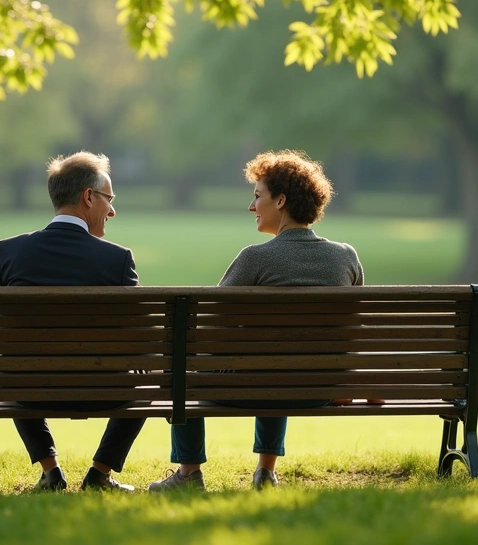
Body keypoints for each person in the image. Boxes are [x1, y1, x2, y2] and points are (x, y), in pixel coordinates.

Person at [148, 150, 365, 493]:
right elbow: (352, 332)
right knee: (278, 356)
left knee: (184, 365)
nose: (252, 207)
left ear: (280, 201)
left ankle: (188, 474)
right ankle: (266, 472)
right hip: (319, 390)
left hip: (250, 386)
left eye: (257, 196)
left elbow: (203, 328)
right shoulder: (346, 257)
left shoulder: (254, 258)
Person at [0, 151, 143, 493]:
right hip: (105, 390)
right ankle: (99, 474)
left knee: (13, 369)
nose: (112, 210)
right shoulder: (117, 259)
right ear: (88, 197)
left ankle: (51, 472)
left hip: (29, 391)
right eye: (109, 199)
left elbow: (4, 335)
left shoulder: (9, 253)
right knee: (148, 387)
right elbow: (143, 340)